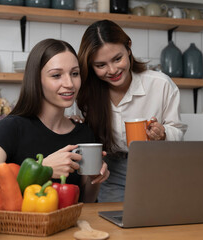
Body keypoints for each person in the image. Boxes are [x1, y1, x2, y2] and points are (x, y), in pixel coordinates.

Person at [0, 38, 109, 203]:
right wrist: (42, 170)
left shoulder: (83, 133)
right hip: (19, 228)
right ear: (37, 80)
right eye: (56, 75)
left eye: (74, 73)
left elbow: (86, 203)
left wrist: (94, 179)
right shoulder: (10, 128)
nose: (69, 84)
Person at [76, 20, 187, 202]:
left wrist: (163, 134)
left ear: (128, 48)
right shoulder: (86, 93)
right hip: (112, 171)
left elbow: (178, 131)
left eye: (117, 59)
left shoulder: (160, 84)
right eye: (101, 65)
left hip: (157, 167)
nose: (112, 70)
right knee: (114, 224)